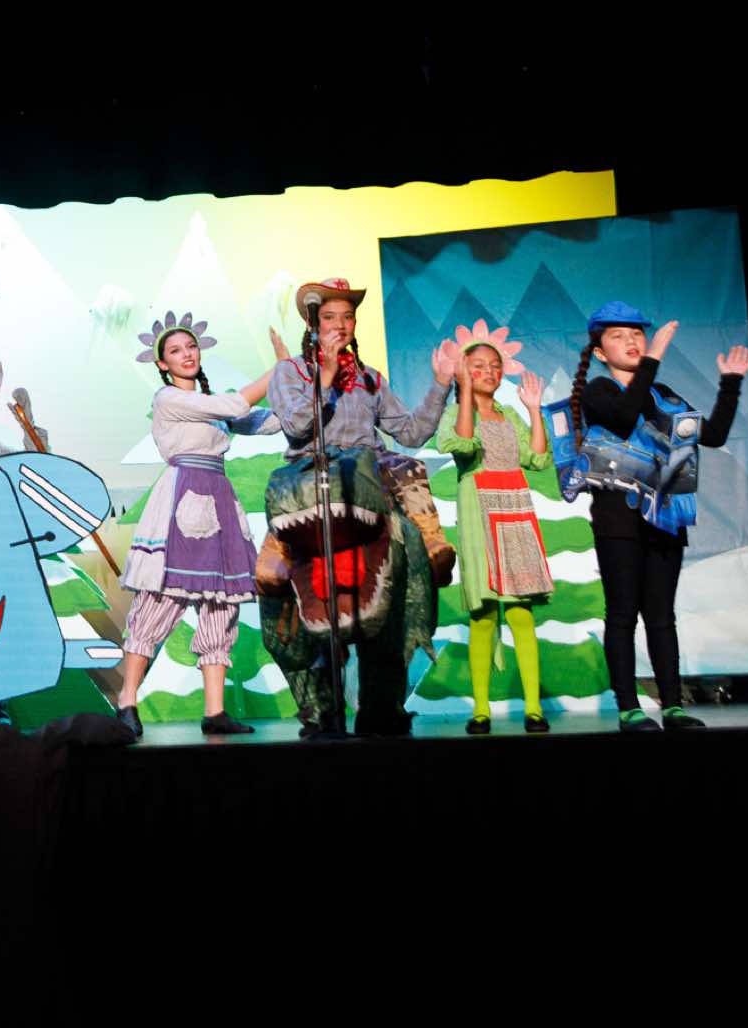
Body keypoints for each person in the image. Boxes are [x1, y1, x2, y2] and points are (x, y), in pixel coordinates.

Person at [261, 277, 457, 735]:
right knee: (273, 571)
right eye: (330, 317)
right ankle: (319, 709)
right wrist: (326, 373)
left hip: (368, 474)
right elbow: (296, 425)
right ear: (312, 324)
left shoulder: (370, 379)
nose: (340, 325)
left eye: (347, 317)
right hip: (311, 478)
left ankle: (382, 705)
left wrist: (441, 384)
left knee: (408, 482)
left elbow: (410, 432)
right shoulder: (290, 372)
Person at [566, 303, 748, 731]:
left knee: (662, 616)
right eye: (618, 336)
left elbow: (712, 435)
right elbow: (624, 416)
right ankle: (629, 707)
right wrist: (652, 360)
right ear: (599, 351)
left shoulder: (661, 394)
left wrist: (731, 383)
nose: (631, 341)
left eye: (637, 334)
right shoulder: (598, 390)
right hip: (618, 519)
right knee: (623, 613)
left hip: (665, 516)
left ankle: (672, 706)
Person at [115, 311, 278, 738]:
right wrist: (277, 370)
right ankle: (127, 700)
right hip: (182, 498)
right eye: (175, 351)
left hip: (218, 499)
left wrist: (301, 394)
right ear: (162, 364)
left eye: (190, 347)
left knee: (220, 605)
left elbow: (264, 420)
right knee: (161, 598)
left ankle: (215, 711)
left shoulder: (213, 405)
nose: (186, 354)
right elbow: (237, 404)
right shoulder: (169, 399)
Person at [433, 322, 555, 734]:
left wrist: (534, 409)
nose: (489, 372)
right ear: (463, 371)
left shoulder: (510, 415)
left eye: (494, 366)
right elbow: (463, 445)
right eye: (478, 366)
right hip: (479, 510)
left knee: (521, 611)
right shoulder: (456, 413)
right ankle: (481, 709)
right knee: (483, 612)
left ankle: (534, 708)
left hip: (515, 509)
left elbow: (536, 459)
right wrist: (464, 391)